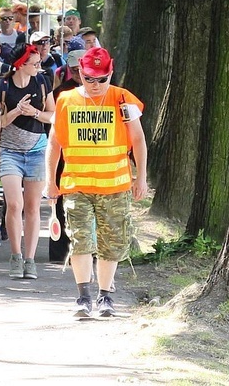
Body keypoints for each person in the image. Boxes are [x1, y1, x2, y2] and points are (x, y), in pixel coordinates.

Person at [44, 47, 148, 317]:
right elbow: (54, 145)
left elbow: (138, 140)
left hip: (115, 185)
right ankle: (83, 297)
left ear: (110, 73)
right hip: (77, 184)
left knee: (110, 242)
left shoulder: (123, 99)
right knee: (80, 240)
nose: (96, 85)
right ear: (80, 72)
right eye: (90, 78)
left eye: (102, 79)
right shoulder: (66, 100)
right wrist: (50, 182)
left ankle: (105, 297)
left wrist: (141, 177)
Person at [0, 43, 55, 280]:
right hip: (9, 151)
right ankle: (15, 256)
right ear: (21, 65)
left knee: (32, 207)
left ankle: (30, 259)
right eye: (35, 64)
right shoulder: (2, 87)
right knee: (14, 204)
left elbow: (53, 116)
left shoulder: (42, 82)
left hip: (37, 150)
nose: (39, 67)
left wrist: (34, 113)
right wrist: (17, 111)